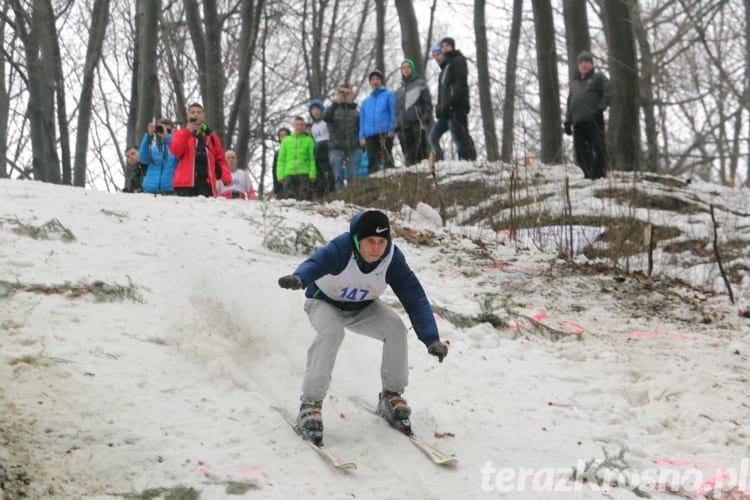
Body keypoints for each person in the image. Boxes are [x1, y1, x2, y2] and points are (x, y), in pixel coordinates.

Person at [277, 210, 449, 445]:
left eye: (381, 241)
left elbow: (413, 295)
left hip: (362, 308)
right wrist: (300, 278)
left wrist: (431, 338)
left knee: (395, 327)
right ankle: (310, 405)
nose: (376, 248)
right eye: (370, 241)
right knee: (332, 332)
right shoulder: (343, 248)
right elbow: (318, 262)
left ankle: (391, 396)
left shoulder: (391, 259)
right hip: (324, 303)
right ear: (358, 240)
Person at [564, 51, 612, 180]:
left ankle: (599, 174)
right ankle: (588, 173)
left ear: (591, 64)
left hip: (593, 119)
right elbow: (570, 102)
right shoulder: (574, 83)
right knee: (581, 151)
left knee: (598, 147)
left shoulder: (598, 78)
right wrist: (568, 121)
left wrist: (601, 108)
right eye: (581, 62)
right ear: (578, 65)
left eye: (587, 62)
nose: (584, 65)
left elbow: (609, 91)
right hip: (578, 122)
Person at [169, 102, 232, 197]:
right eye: (193, 112)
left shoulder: (212, 137)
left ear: (203, 117)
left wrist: (226, 178)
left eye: (199, 112)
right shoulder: (180, 133)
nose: (196, 114)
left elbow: (220, 158)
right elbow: (175, 152)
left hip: (206, 184)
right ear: (187, 116)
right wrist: (187, 132)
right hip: (185, 184)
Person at [431, 37, 476, 161]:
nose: (445, 48)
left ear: (452, 46)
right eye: (443, 46)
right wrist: (439, 107)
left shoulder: (458, 60)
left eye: (447, 45)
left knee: (460, 137)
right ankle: (439, 161)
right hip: (446, 111)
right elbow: (442, 92)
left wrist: (452, 101)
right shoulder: (445, 68)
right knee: (433, 136)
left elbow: (460, 83)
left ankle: (467, 160)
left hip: (457, 107)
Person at [395, 58, 433, 166]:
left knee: (421, 152)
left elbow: (427, 103)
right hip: (403, 126)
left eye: (408, 67)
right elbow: (396, 110)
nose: (406, 69)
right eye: (403, 67)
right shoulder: (399, 91)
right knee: (408, 155)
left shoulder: (420, 84)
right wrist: (397, 123)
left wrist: (426, 116)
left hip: (417, 123)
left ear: (412, 69)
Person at [323, 85, 362, 190]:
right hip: (336, 147)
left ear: (351, 96)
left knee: (353, 176)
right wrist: (336, 102)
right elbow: (325, 117)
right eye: (342, 93)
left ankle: (353, 199)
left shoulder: (356, 112)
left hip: (353, 147)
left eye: (347, 93)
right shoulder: (332, 110)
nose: (345, 96)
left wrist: (361, 144)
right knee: (338, 176)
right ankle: (340, 199)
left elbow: (361, 129)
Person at [359, 69, 396, 173]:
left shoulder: (389, 95)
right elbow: (362, 120)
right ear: (370, 82)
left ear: (381, 81)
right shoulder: (365, 102)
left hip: (385, 131)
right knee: (372, 159)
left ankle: (390, 178)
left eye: (377, 79)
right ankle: (373, 181)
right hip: (370, 134)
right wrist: (361, 136)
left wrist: (391, 129)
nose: (375, 81)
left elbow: (393, 112)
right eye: (373, 79)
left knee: (387, 156)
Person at [276, 116, 317, 200]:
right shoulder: (286, 141)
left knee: (304, 199)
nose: (299, 126)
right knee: (289, 199)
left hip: (304, 174)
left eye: (301, 125)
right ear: (293, 126)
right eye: (297, 124)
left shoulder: (309, 140)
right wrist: (280, 175)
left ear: (304, 127)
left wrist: (312, 174)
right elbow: (281, 160)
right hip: (288, 174)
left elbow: (312, 159)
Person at [139, 118, 177, 194]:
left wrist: (168, 138)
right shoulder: (153, 149)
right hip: (150, 190)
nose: (165, 132)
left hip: (170, 190)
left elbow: (179, 154)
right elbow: (143, 159)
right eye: (161, 130)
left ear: (173, 131)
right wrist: (148, 136)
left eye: (168, 130)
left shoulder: (177, 148)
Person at [309, 100, 334, 198]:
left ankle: (332, 190)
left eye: (317, 109)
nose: (315, 112)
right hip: (318, 149)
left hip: (327, 147)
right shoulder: (313, 126)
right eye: (313, 110)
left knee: (330, 171)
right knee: (321, 172)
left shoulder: (326, 122)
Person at [272, 127, 291, 196]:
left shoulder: (293, 150)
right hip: (280, 185)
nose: (283, 137)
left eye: (285, 135)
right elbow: (274, 170)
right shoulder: (277, 153)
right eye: (281, 135)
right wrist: (276, 187)